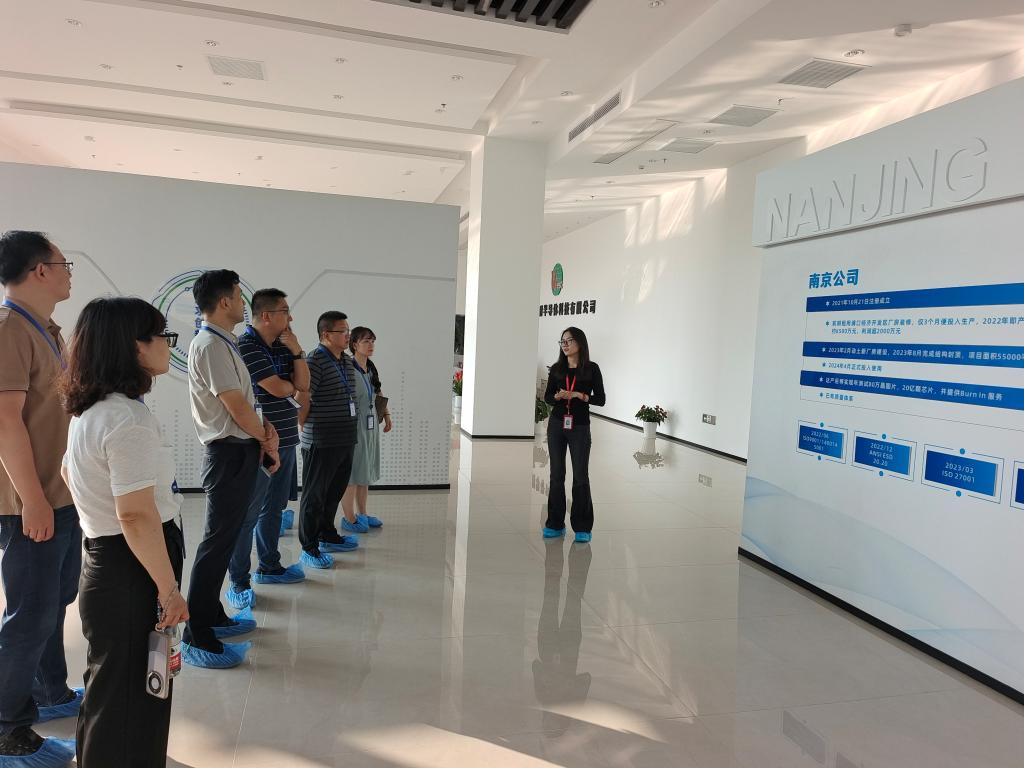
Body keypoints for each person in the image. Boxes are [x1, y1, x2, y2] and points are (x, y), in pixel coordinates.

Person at [59, 297, 189, 768]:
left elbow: (69, 474)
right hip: (133, 565)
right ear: (134, 347)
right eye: (162, 336)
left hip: (107, 557)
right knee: (134, 696)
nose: (168, 345)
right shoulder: (127, 418)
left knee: (112, 689)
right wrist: (168, 590)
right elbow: (135, 515)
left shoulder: (91, 411)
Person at [0, 231, 81, 766]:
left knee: (53, 603)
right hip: (31, 501)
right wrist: (32, 499)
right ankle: (8, 730)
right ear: (40, 270)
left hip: (59, 493)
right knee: (30, 616)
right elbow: (5, 421)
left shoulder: (46, 329)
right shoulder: (9, 330)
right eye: (63, 262)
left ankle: (50, 691)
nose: (69, 271)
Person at [183, 269, 279, 669]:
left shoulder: (225, 342)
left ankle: (213, 616)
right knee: (216, 541)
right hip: (227, 452)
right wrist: (266, 438)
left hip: (240, 449)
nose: (243, 303)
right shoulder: (209, 345)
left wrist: (264, 434)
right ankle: (197, 634)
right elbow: (236, 407)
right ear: (224, 302)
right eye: (239, 297)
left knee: (223, 540)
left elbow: (245, 402)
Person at [225, 289, 308, 610]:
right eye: (285, 311)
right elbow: (276, 387)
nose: (291, 317)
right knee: (248, 515)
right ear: (266, 316)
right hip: (259, 442)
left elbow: (303, 385)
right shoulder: (247, 345)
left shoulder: (286, 345)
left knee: (273, 509)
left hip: (286, 439)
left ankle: (270, 566)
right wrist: (289, 383)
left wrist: (297, 353)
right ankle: (239, 581)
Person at [297, 311, 360, 568]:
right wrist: (307, 427)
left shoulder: (346, 361)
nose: (348, 335)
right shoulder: (315, 361)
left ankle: (327, 534)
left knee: (334, 491)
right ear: (326, 334)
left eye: (348, 330)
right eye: (342, 331)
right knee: (314, 495)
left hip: (345, 438)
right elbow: (303, 399)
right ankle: (309, 547)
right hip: (321, 440)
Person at [543, 327, 605, 544]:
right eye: (562, 341)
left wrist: (579, 394)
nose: (565, 344)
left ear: (580, 342)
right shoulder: (557, 369)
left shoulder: (591, 369)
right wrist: (558, 397)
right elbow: (547, 397)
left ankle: (582, 526)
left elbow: (601, 399)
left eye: (569, 340)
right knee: (556, 475)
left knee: (580, 476)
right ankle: (555, 523)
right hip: (557, 425)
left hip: (579, 427)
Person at [340, 327, 393, 533]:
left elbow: (377, 394)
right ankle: (349, 518)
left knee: (365, 472)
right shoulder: (347, 368)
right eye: (366, 341)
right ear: (354, 344)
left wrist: (386, 415)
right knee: (352, 474)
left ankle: (362, 513)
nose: (371, 345)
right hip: (353, 427)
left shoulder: (370, 368)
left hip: (370, 427)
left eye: (372, 341)